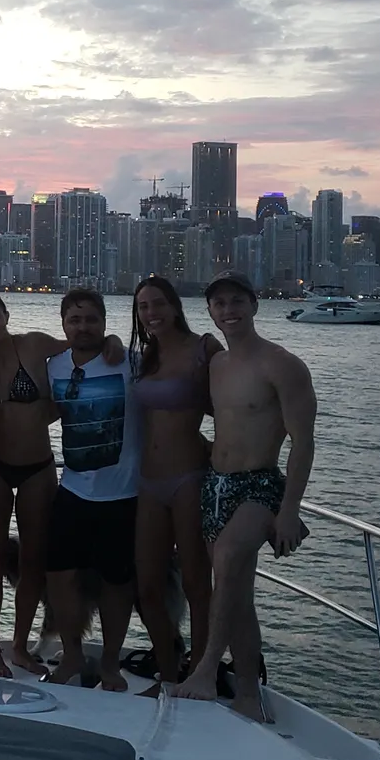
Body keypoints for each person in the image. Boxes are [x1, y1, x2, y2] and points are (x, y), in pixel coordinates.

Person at [176, 269, 316, 721]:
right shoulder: (216, 365)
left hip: (259, 484)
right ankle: (250, 696)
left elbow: (303, 441)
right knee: (237, 592)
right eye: (220, 304)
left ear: (254, 306)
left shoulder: (283, 364)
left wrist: (290, 510)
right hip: (216, 485)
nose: (229, 311)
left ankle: (206, 669)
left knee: (231, 562)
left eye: (237, 302)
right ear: (210, 313)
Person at [45, 287, 142, 690]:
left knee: (117, 584)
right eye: (75, 320)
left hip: (123, 495)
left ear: (104, 322)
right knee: (59, 577)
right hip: (72, 491)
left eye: (91, 320)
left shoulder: (131, 363)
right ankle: (70, 656)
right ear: (64, 324)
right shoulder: (52, 367)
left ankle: (109, 664)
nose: (83, 327)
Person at [0, 289, 64, 676]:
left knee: (33, 560)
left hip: (39, 465)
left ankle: (20, 646)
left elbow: (83, 347)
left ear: (6, 314)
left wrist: (112, 345)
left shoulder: (35, 345)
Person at [130, 276, 219, 687]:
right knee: (146, 585)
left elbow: (236, 408)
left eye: (159, 304)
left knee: (197, 583)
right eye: (144, 307)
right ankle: (168, 669)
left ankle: (200, 673)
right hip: (148, 481)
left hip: (189, 478)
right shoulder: (145, 356)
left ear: (175, 306)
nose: (152, 313)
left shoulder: (204, 349)